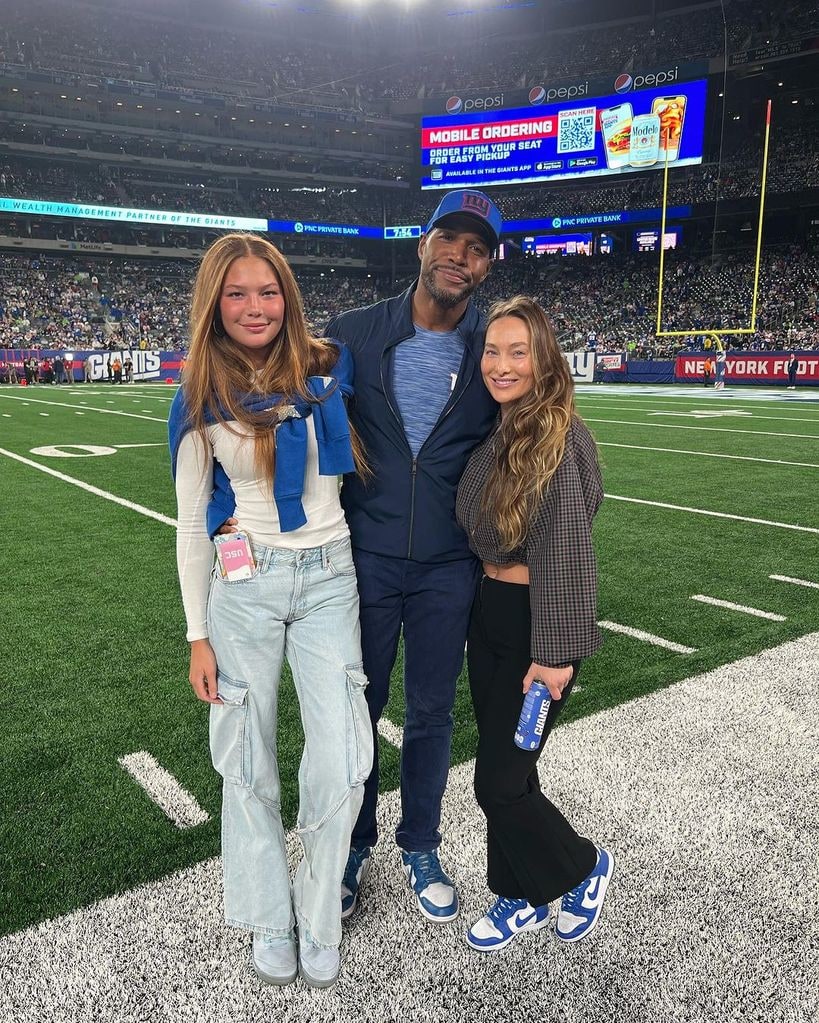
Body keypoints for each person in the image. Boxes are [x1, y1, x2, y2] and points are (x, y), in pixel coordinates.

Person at [168, 232, 372, 989]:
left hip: (329, 575)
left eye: (267, 290)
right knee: (245, 760)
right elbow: (193, 520)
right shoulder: (200, 392)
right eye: (235, 293)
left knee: (342, 757)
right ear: (213, 304)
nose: (254, 307)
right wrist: (196, 633)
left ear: (286, 295)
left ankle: (319, 913)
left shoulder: (328, 366)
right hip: (244, 586)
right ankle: (268, 914)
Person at [325, 189, 501, 924]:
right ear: (421, 245)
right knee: (355, 711)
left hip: (446, 565)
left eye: (477, 247)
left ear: (487, 265)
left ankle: (420, 841)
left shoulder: (493, 346)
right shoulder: (353, 334)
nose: (460, 255)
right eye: (449, 239)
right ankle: (353, 842)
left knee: (431, 711)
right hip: (363, 559)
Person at [455, 296, 613, 953]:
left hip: (533, 624)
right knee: (516, 775)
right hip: (489, 617)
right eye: (492, 350)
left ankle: (581, 866)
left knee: (494, 781)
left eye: (517, 351)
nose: (501, 363)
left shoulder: (557, 431)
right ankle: (517, 893)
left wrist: (552, 654)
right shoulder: (503, 427)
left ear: (543, 357)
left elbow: (565, 547)